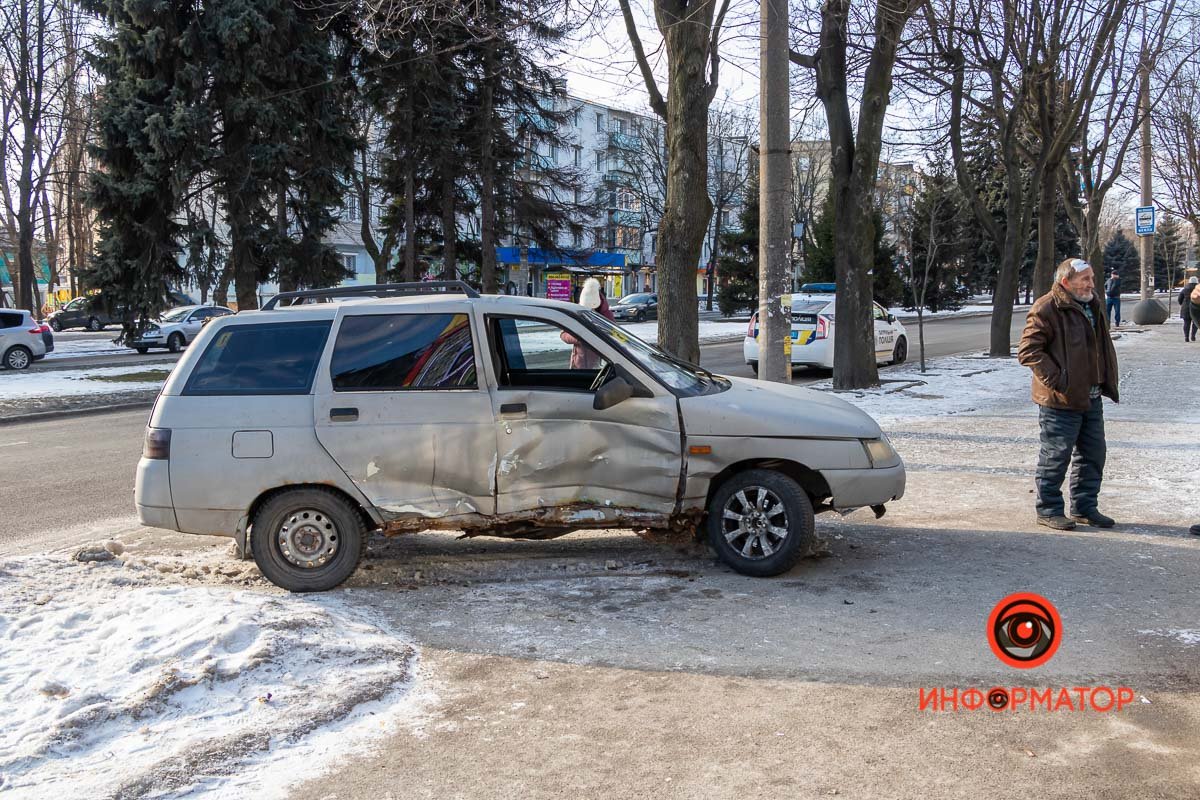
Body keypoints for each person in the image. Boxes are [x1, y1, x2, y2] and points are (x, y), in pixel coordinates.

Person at [1017, 258, 1120, 531]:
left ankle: (1084, 508)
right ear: (1066, 282)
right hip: (1060, 401)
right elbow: (1028, 351)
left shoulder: (1092, 304)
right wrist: (1059, 381)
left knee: (1093, 454)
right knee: (1055, 456)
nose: (1091, 284)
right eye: (1085, 279)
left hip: (1091, 397)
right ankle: (1048, 509)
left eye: (1092, 278)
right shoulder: (1047, 307)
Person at [562, 277, 614, 370]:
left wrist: (598, 336)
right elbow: (563, 334)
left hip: (602, 367)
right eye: (586, 308)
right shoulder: (578, 312)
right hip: (578, 365)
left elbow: (614, 336)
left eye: (591, 308)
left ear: (597, 304)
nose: (589, 311)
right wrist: (578, 337)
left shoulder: (606, 316)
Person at [1180, 278, 1199, 342]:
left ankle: (1186, 337)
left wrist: (1183, 304)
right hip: (1196, 309)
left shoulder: (1184, 289)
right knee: (1195, 323)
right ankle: (1193, 336)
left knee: (1186, 323)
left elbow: (1180, 299)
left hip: (1186, 309)